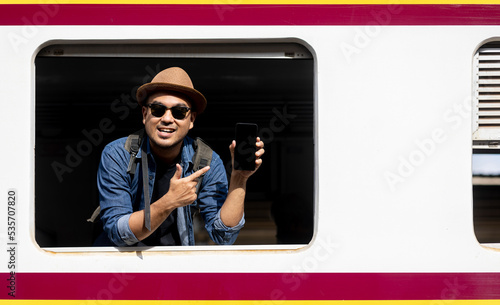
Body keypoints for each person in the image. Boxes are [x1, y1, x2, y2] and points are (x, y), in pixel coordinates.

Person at [96, 67, 264, 247]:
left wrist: (239, 178)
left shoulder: (207, 161)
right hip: (121, 266)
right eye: (158, 109)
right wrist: (170, 201)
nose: (167, 119)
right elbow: (118, 233)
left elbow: (222, 236)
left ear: (191, 120)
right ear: (145, 115)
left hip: (176, 264)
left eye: (179, 112)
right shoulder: (118, 154)